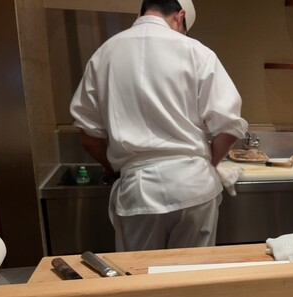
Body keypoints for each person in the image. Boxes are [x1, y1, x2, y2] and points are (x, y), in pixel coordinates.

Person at [70, 0, 248, 251]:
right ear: (180, 17)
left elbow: (89, 137)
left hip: (138, 192)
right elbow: (229, 127)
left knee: (140, 273)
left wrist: (112, 168)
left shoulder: (104, 54)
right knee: (192, 272)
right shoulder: (197, 52)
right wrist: (208, 163)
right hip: (194, 187)